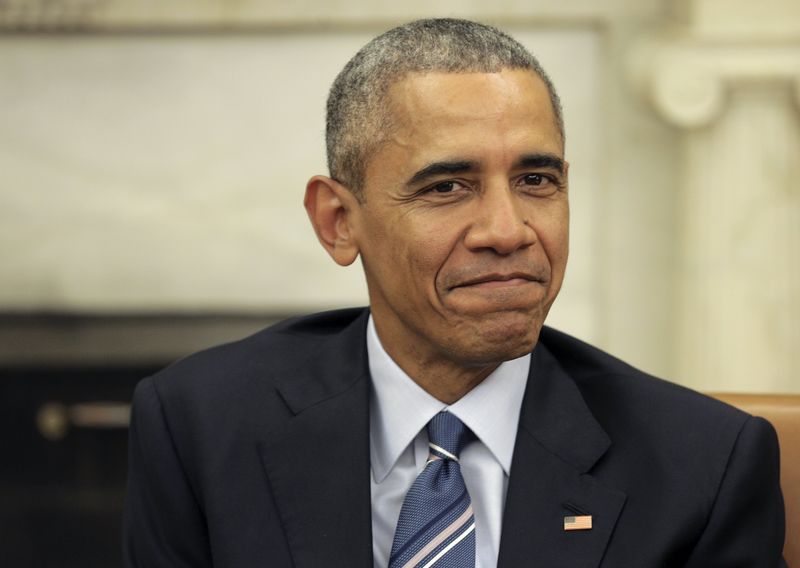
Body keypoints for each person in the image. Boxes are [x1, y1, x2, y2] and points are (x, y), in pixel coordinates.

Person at [123, 18, 786, 568]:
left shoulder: (703, 468)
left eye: (535, 181)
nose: (508, 230)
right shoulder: (200, 426)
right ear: (338, 222)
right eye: (446, 187)